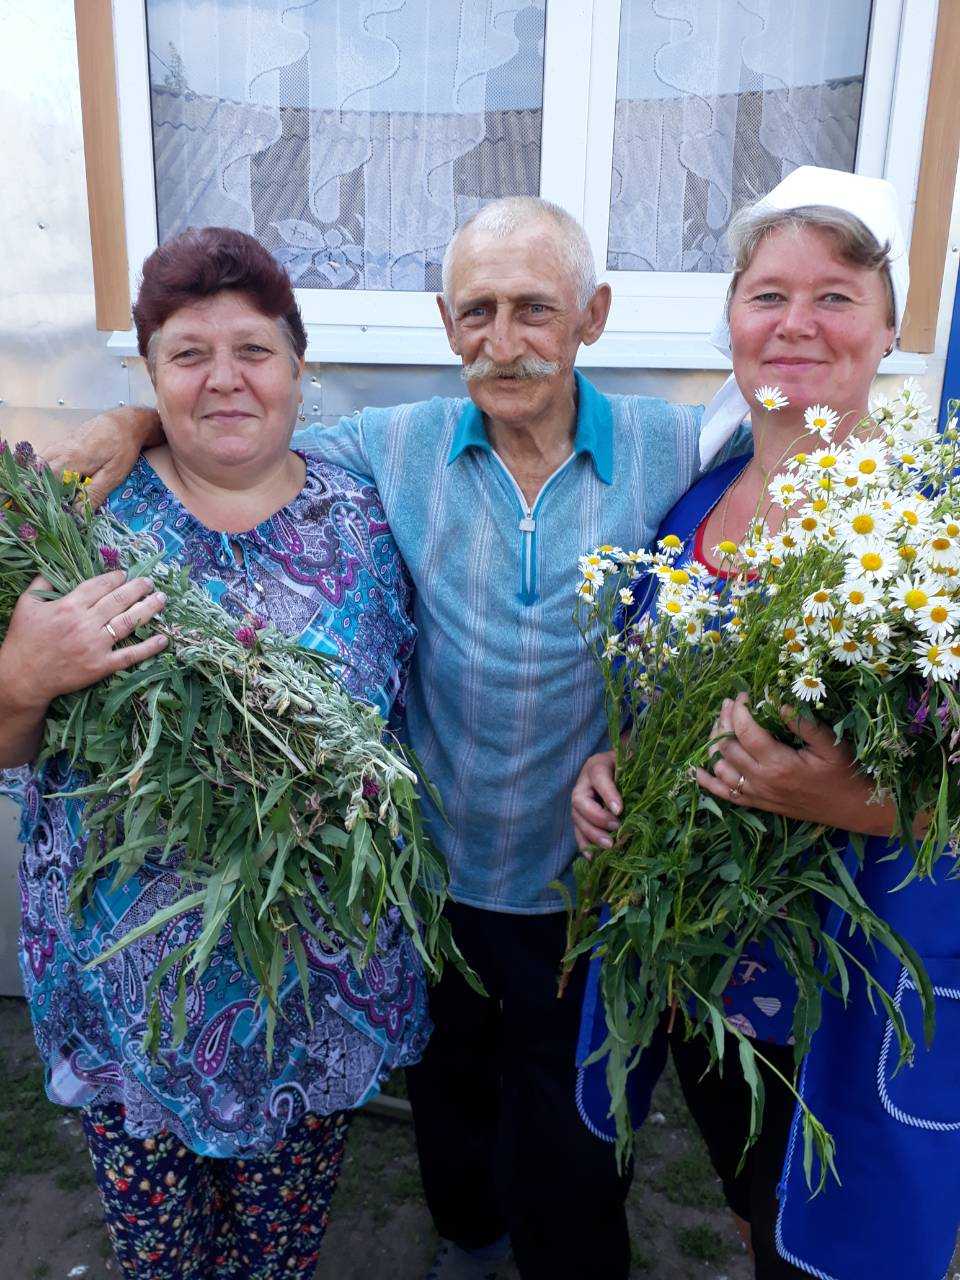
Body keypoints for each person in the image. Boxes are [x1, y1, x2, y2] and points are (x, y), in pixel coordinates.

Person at [40, 196, 750, 1280]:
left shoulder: (672, 442)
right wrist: (128, 421)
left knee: (570, 1136)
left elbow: (793, 435)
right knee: (450, 1105)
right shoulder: (391, 446)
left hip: (588, 883)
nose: (502, 342)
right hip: (430, 881)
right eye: (476, 311)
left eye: (534, 309)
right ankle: (467, 1241)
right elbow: (231, 428)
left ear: (594, 316)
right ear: (444, 319)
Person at [0, 226, 428, 1280]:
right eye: (188, 355)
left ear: (298, 366)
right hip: (128, 1001)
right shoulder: (78, 515)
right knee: (162, 1255)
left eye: (255, 350)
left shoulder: (375, 518)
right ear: (149, 376)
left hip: (310, 993)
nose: (225, 380)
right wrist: (23, 676)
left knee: (279, 1252)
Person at [571, 168, 960, 1280]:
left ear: (890, 327)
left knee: (838, 1234)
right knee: (757, 1202)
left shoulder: (927, 528)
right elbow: (668, 692)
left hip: (850, 983)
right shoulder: (700, 486)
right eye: (766, 295)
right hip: (706, 967)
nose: (796, 324)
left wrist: (848, 799)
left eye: (836, 296)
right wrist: (615, 764)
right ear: (731, 319)